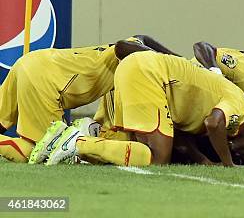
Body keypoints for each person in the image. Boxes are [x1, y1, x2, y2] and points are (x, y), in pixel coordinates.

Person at [44, 51, 244, 167]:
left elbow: (180, 136)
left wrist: (201, 160)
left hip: (139, 68)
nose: (239, 154)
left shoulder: (229, 109)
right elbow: (213, 123)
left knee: (135, 147)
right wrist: (228, 163)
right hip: (150, 74)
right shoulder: (238, 104)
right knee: (157, 158)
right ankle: (77, 143)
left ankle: (79, 135)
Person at [0, 35, 173, 164]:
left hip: (31, 61)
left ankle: (82, 135)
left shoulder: (125, 71)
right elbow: (129, 44)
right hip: (44, 77)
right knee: (39, 153)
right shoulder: (138, 59)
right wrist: (171, 59)